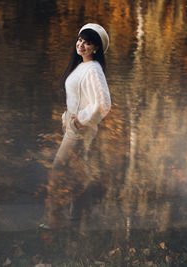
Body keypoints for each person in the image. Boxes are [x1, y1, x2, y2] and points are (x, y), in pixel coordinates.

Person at [42, 23, 111, 229]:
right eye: (80, 40)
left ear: (96, 48)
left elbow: (104, 103)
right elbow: (78, 99)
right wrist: (67, 119)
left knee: (58, 169)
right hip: (76, 128)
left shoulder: (93, 69)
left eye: (88, 43)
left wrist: (80, 120)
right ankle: (79, 219)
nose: (81, 45)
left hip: (81, 130)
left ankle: (56, 220)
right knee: (77, 173)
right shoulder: (82, 66)